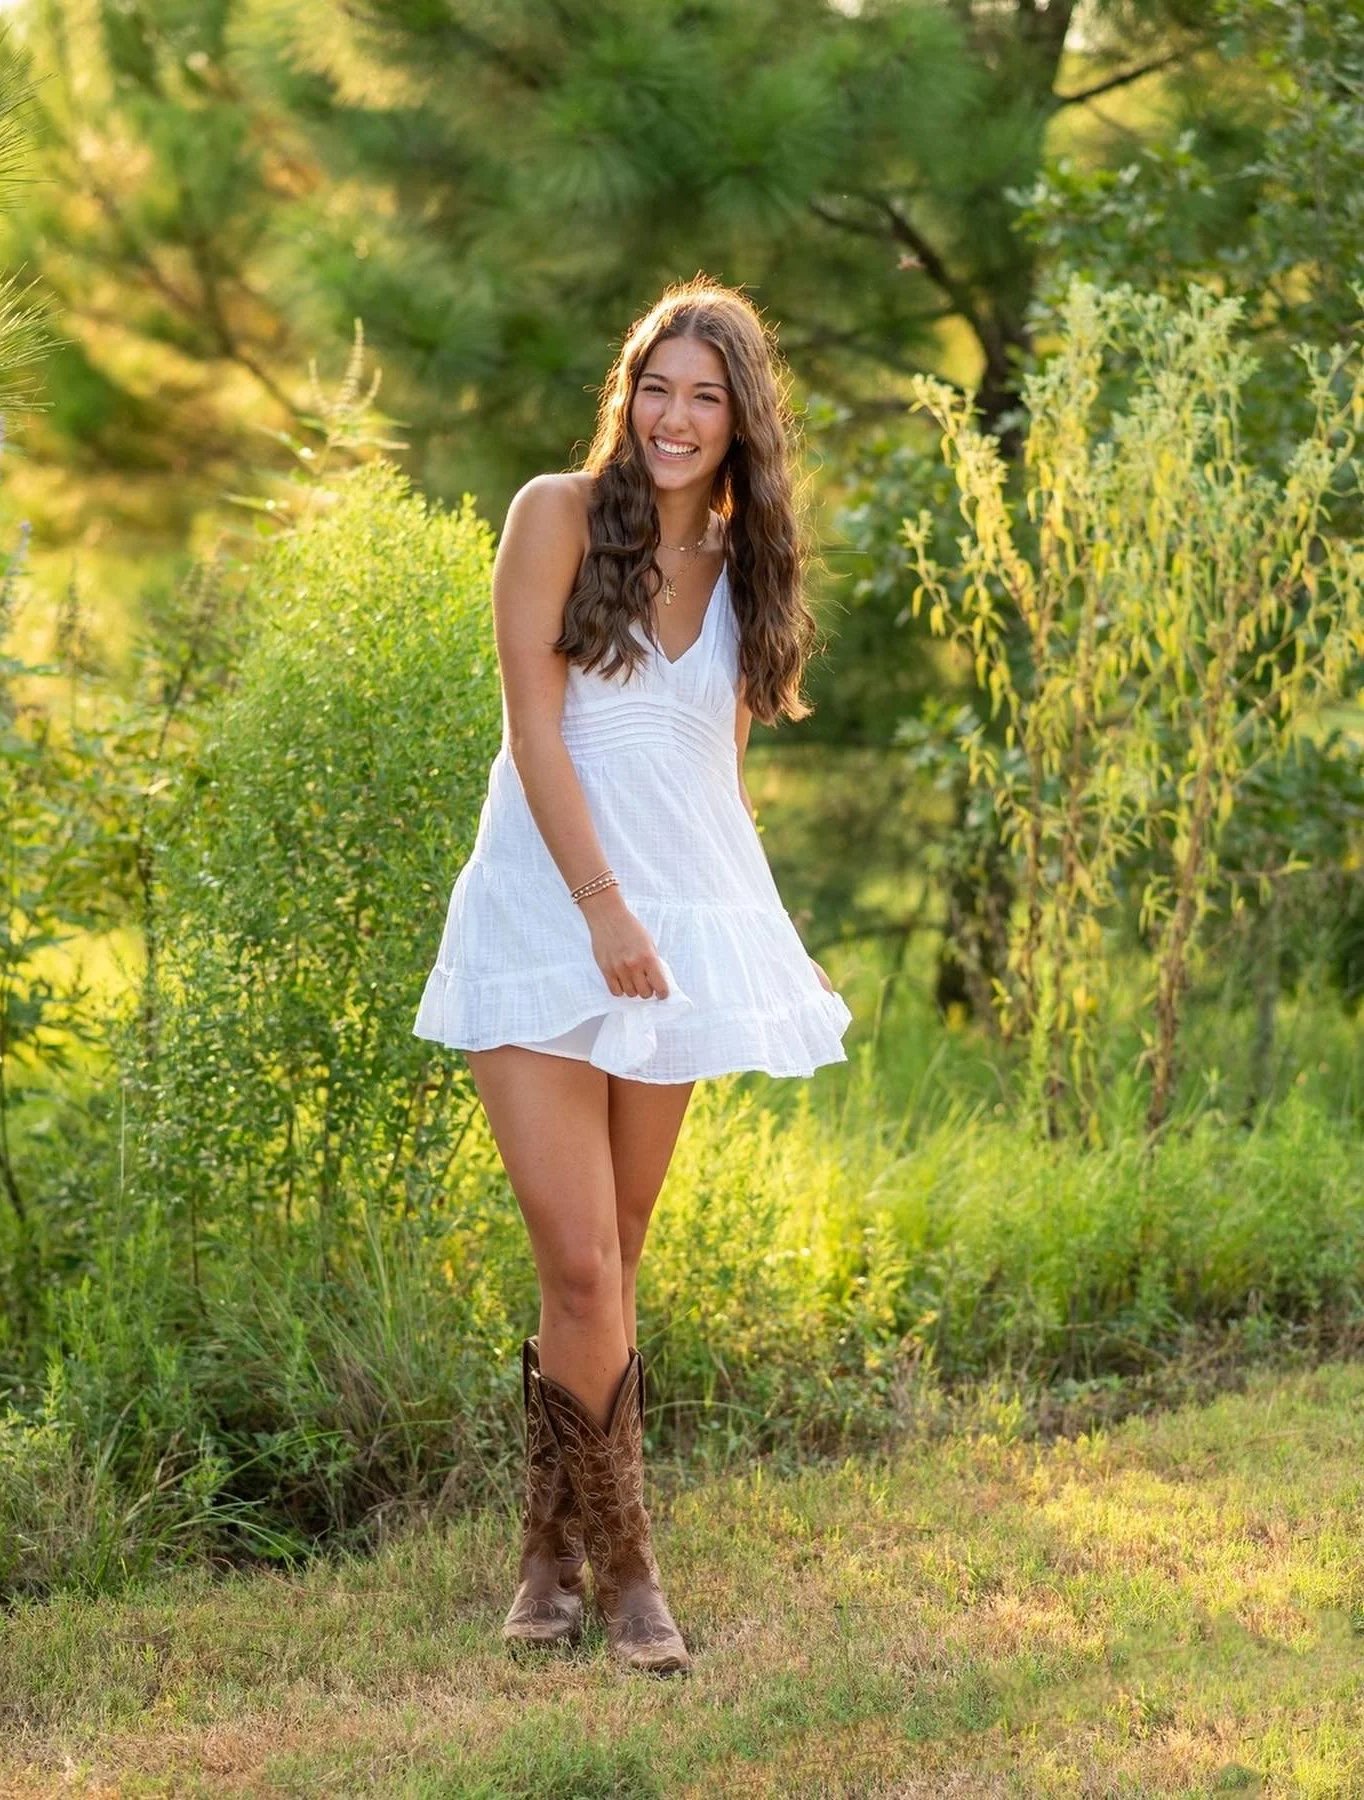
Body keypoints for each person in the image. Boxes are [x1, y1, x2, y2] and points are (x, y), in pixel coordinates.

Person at [412, 275, 852, 1677]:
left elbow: (707, 774)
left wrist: (739, 934)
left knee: (611, 1266)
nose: (675, 417)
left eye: (704, 397)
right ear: (629, 394)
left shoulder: (745, 567)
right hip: (546, 922)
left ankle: (545, 1549)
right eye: (656, 388)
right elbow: (537, 734)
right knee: (585, 1261)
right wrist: (600, 906)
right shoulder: (552, 515)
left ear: (741, 423)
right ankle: (631, 1576)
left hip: (671, 945)